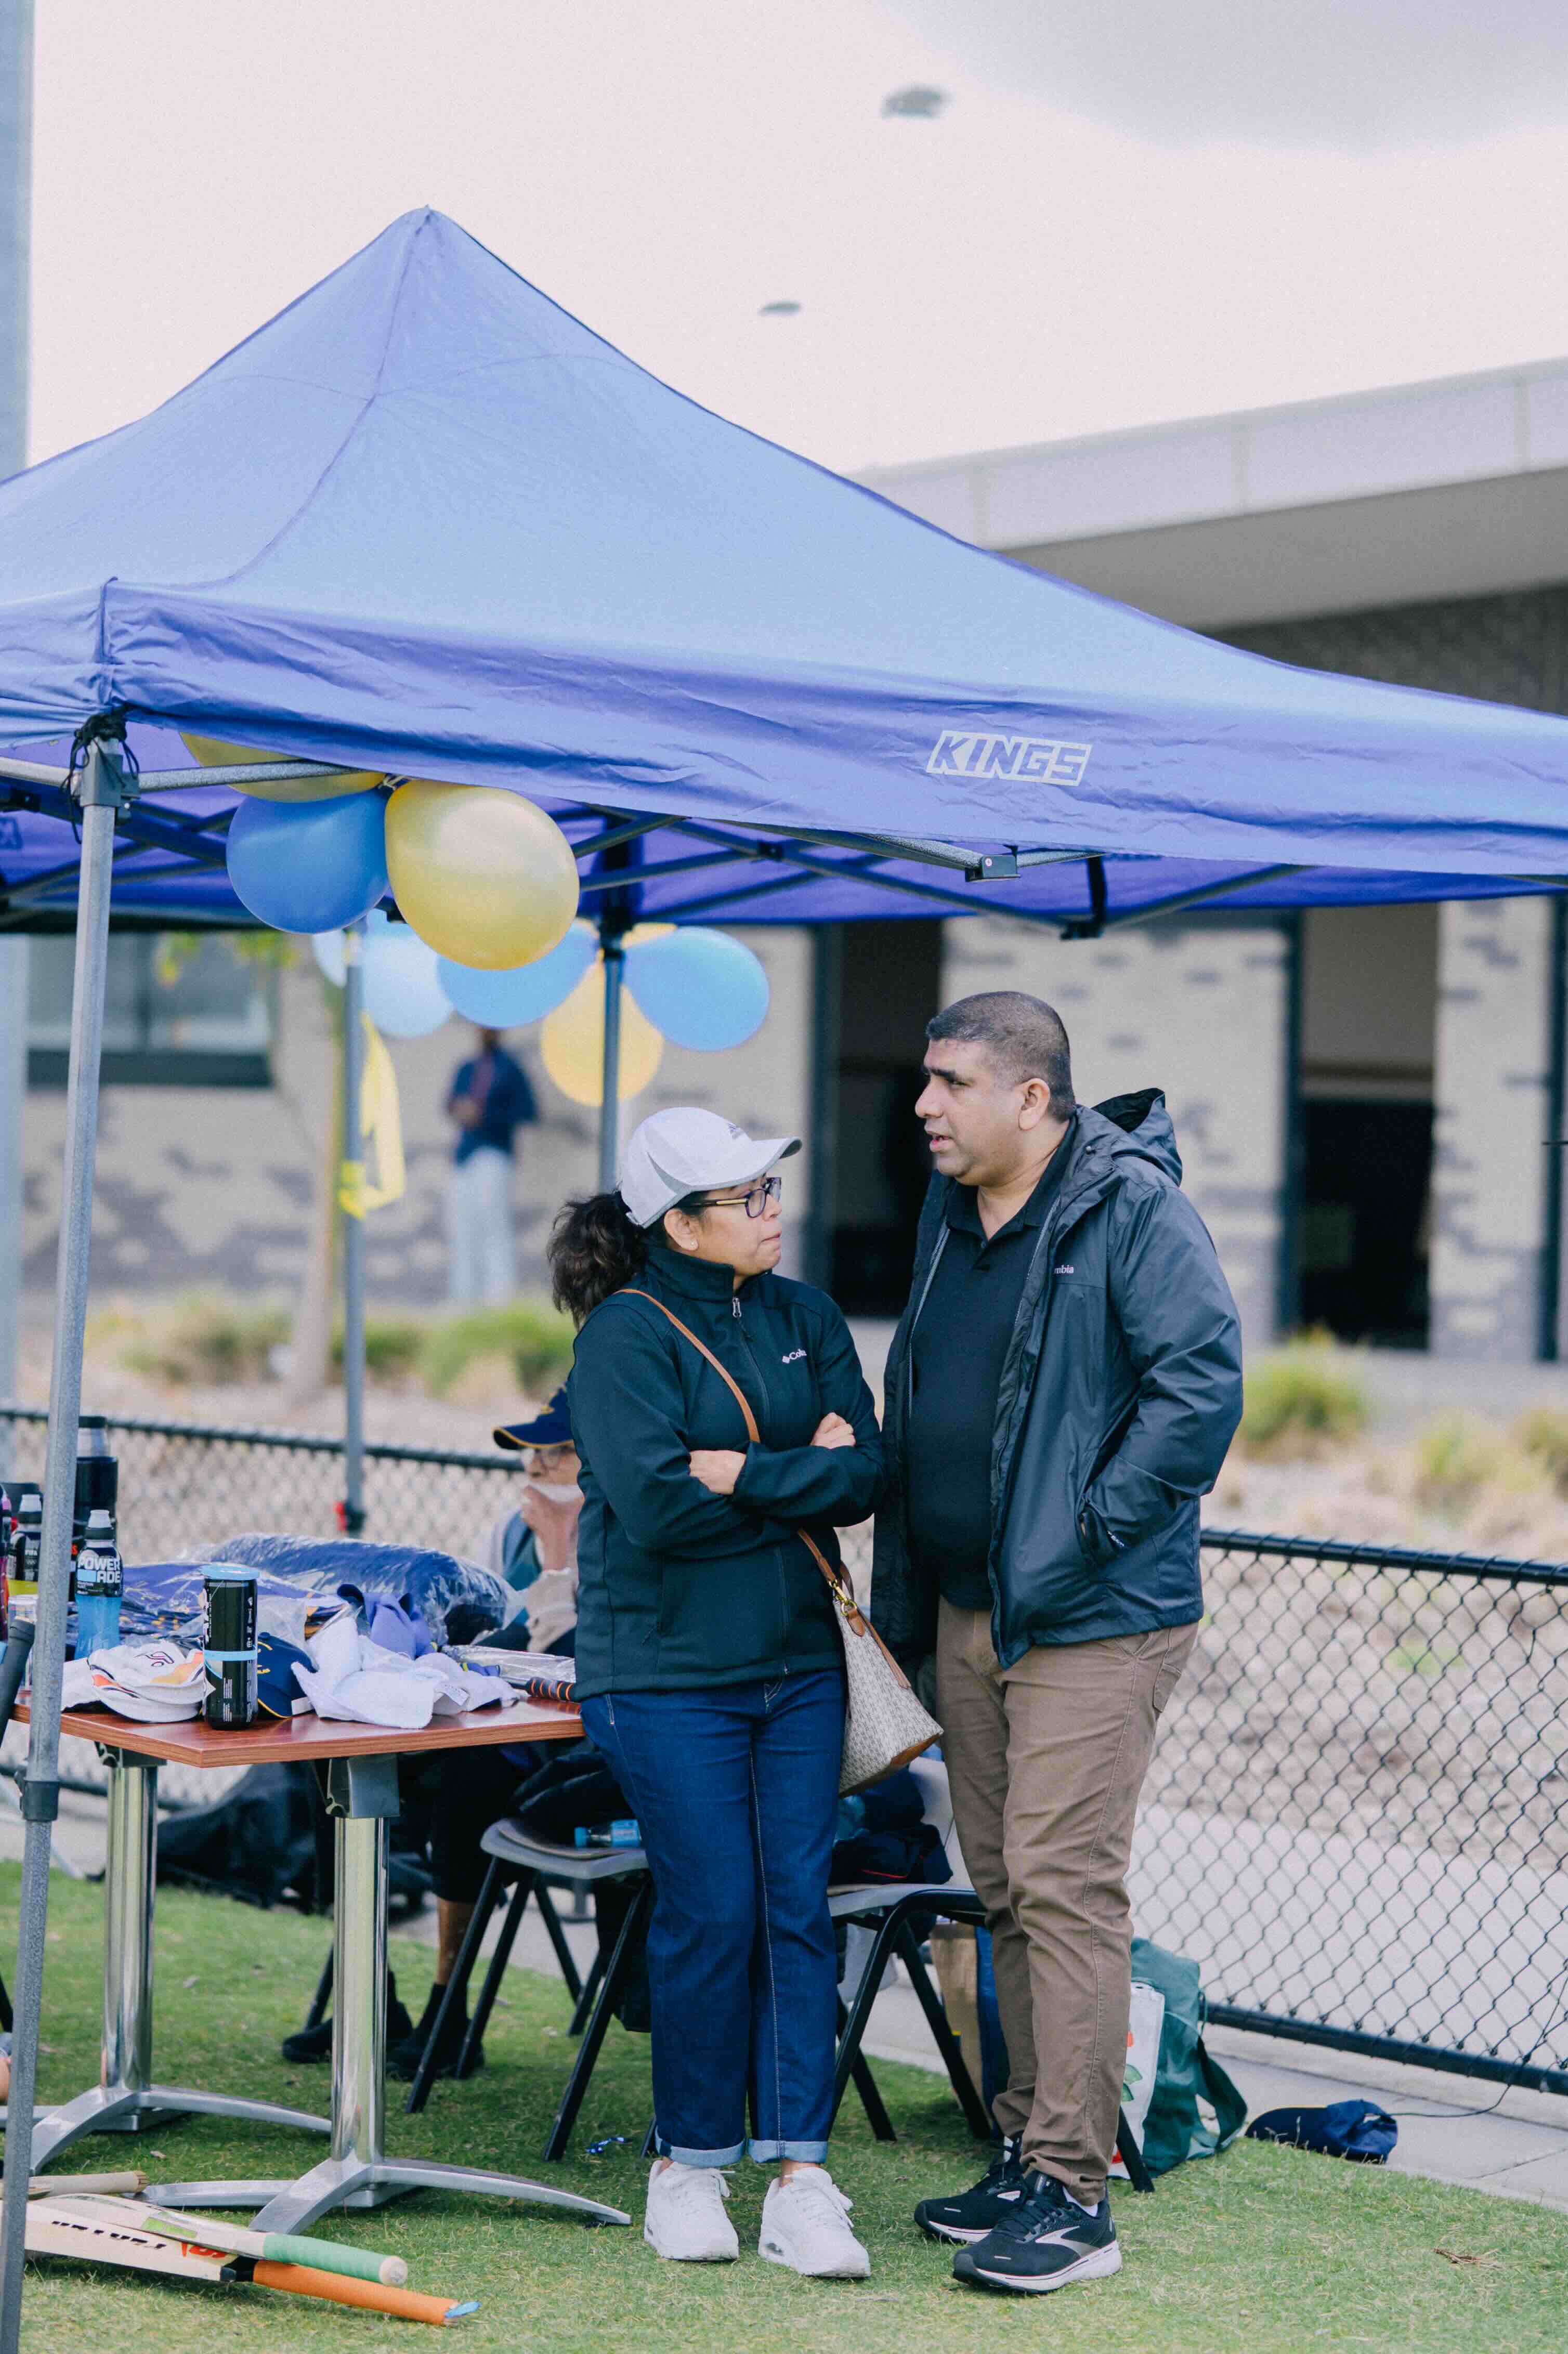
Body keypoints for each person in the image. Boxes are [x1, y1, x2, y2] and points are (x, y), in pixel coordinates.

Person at [872, 991, 1242, 2297]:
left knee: (1062, 1879)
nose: (923, 1103)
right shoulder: (945, 1210)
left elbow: (1199, 1383)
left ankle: (1077, 2195)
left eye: (950, 1081)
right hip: (970, 1603)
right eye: (924, 1078)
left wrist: (1084, 1529)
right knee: (1001, 1884)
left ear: (1030, 1096)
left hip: (1094, 1609)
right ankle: (1027, 2147)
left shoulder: (1130, 1206)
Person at [554, 1106, 883, 2279]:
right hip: (665, 1675)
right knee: (714, 1910)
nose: (769, 1210)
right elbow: (654, 1507)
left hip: (797, 1664)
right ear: (677, 1221)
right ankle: (686, 2164)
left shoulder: (804, 1313)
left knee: (795, 1906)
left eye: (768, 1189)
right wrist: (803, 1473)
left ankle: (802, 2174)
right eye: (743, 1197)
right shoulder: (622, 1338)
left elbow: (868, 1470)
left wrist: (743, 1471)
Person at [390, 1393, 585, 2083]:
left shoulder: (619, 1534)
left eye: (554, 1452)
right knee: (339, 1764)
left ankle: (451, 2006)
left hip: (573, 1750)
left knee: (466, 1782)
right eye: (531, 1453)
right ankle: (370, 1995)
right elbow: (495, 1629)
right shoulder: (509, 1531)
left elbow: (566, 1648)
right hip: (500, 1716)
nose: (535, 1465)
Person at [444, 1025, 537, 1304]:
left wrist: (485, 1114)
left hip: (494, 1154)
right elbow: (449, 1103)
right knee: (462, 1228)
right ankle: (463, 1301)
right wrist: (460, 1109)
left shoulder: (510, 1069)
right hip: (465, 1157)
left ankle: (500, 1300)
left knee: (494, 1228)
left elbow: (529, 1111)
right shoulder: (466, 1068)